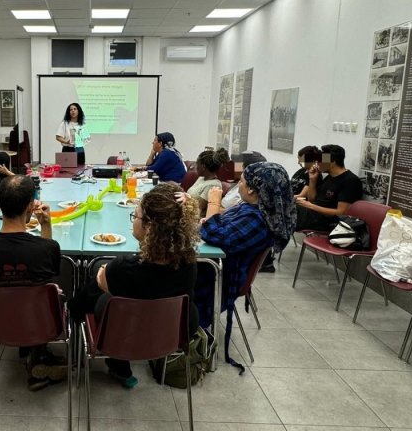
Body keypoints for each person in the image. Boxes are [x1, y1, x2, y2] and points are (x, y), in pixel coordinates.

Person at [70, 183, 199, 388]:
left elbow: (107, 282)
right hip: (171, 336)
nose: (134, 220)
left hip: (121, 335)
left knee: (93, 293)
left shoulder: (123, 268)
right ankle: (119, 366)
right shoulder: (189, 265)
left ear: (149, 226)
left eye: (135, 216)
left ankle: (75, 336)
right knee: (118, 297)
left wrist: (104, 278)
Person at [0, 175, 65, 391]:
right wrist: (46, 226)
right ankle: (40, 356)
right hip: (39, 323)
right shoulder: (47, 248)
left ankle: (36, 358)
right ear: (31, 207)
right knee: (51, 293)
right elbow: (46, 273)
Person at [197, 162, 297, 372]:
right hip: (218, 265)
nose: (238, 185)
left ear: (252, 188)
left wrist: (213, 203)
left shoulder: (258, 220)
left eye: (241, 181)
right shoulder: (250, 208)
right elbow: (218, 226)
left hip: (219, 277)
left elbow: (213, 234)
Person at [295, 144, 363, 231]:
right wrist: (312, 179)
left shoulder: (350, 181)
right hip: (312, 215)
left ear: (332, 162)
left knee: (282, 213)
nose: (317, 163)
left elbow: (341, 213)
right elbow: (312, 199)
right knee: (281, 209)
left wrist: (310, 206)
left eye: (321, 160)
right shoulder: (329, 177)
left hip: (327, 222)